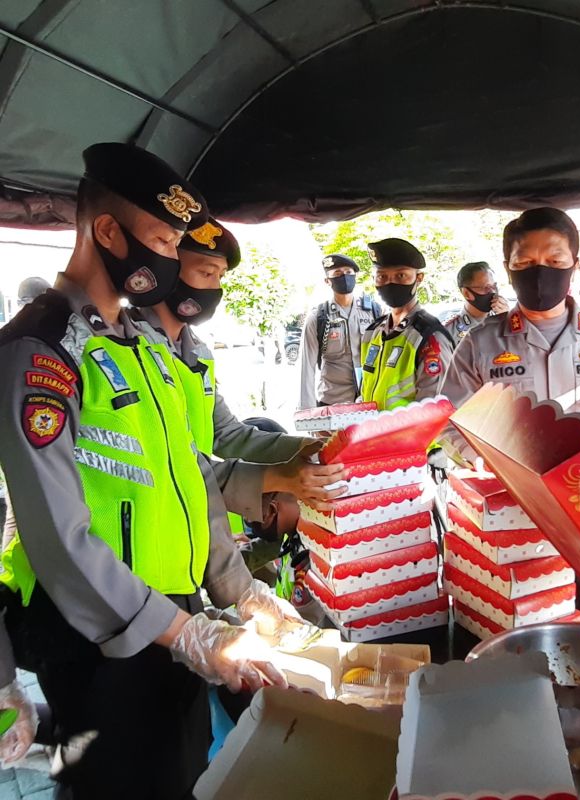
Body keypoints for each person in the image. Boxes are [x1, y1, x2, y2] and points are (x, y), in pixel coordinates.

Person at [0, 143, 304, 798]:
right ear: (106, 232)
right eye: (163, 242)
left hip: (170, 616)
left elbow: (188, 472)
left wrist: (242, 580)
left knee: (183, 776)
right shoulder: (42, 350)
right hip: (95, 634)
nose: (171, 262)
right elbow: (59, 537)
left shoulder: (142, 344)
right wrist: (185, 631)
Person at [134, 219, 344, 531]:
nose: (214, 288)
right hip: (153, 519)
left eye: (220, 276)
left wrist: (302, 448)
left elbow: (227, 435)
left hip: (197, 518)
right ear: (169, 270)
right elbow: (169, 464)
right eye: (205, 273)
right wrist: (280, 477)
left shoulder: (197, 353)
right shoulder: (130, 347)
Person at [441, 207, 580, 463]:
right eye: (525, 263)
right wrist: (486, 464)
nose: (540, 273)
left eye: (555, 262)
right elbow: (451, 421)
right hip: (514, 495)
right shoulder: (479, 343)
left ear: (574, 265)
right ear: (508, 269)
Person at [358, 238, 455, 411]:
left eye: (401, 275)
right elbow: (366, 390)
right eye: (382, 276)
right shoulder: (372, 333)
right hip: (372, 436)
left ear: (419, 278)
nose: (390, 282)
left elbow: (433, 412)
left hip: (410, 438)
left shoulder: (429, 336)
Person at [297, 253, 381, 409]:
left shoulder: (374, 312)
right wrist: (307, 413)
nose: (344, 277)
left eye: (349, 272)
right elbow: (306, 368)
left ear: (355, 276)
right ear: (327, 281)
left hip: (368, 401)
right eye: (337, 274)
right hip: (332, 403)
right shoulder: (318, 318)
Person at [443, 261, 509, 344]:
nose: (493, 292)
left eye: (494, 286)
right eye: (486, 287)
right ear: (466, 293)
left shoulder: (504, 320)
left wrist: (507, 323)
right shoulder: (448, 333)